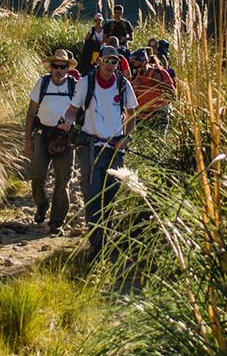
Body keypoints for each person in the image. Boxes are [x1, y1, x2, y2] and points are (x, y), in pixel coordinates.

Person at [69, 46, 136, 257]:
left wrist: (125, 138)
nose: (110, 65)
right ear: (99, 61)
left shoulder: (123, 85)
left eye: (114, 61)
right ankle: (97, 247)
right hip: (90, 147)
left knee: (110, 197)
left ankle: (104, 242)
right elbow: (73, 111)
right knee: (92, 196)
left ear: (118, 64)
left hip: (115, 149)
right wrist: (64, 122)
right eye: (106, 60)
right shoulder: (85, 83)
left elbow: (132, 113)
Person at [23, 48, 78, 231]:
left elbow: (81, 111)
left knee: (63, 179)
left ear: (67, 68)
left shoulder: (74, 86)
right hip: (42, 135)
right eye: (56, 66)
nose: (59, 70)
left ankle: (56, 221)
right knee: (37, 176)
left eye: (63, 66)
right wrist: (28, 141)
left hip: (65, 138)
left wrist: (72, 125)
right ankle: (41, 205)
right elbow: (31, 114)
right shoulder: (43, 83)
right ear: (50, 67)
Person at [130, 46, 178, 121]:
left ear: (144, 62)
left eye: (134, 61)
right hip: (140, 116)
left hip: (159, 114)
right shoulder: (132, 76)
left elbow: (172, 93)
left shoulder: (158, 73)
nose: (132, 64)